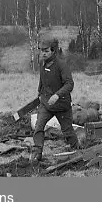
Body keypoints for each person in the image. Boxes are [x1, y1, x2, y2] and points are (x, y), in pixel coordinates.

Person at [31, 37, 79, 165]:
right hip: (46, 104)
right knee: (38, 127)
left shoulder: (62, 65)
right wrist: (39, 91)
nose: (43, 53)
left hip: (62, 105)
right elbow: (42, 79)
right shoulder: (42, 63)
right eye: (41, 51)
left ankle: (78, 152)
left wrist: (57, 95)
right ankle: (37, 153)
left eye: (46, 51)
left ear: (53, 50)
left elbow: (69, 84)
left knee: (68, 131)